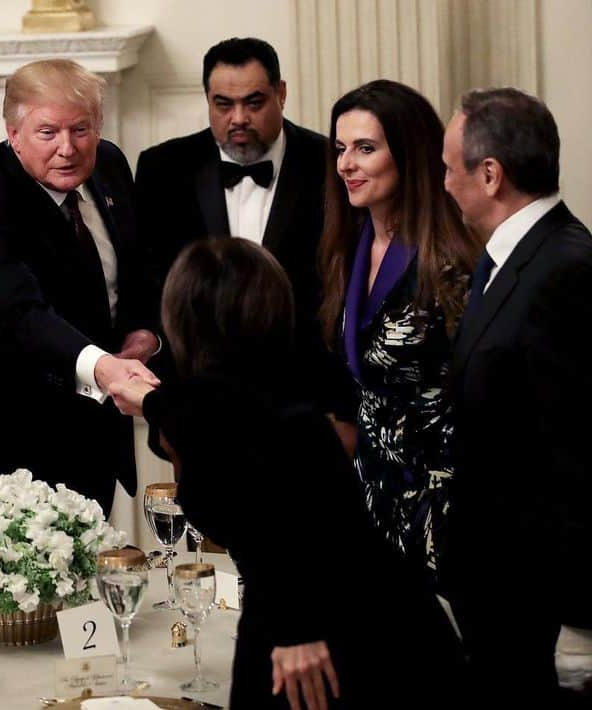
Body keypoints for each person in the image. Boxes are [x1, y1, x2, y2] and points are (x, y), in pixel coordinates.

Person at [109, 238, 464, 710]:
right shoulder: (231, 398)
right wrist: (148, 399)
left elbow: (292, 525)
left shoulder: (282, 418)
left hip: (337, 626)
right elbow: (200, 411)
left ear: (183, 321)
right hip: (301, 613)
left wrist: (297, 633)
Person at [0, 59, 159, 513]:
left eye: (81, 130)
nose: (67, 149)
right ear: (14, 134)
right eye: (48, 133)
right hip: (2, 440)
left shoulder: (109, 164)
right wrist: (105, 367)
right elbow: (22, 316)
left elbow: (136, 266)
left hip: (90, 431)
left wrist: (146, 331)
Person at [442, 88, 592, 705]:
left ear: (490, 174)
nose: (444, 181)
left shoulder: (566, 270)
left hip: (533, 599)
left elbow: (575, 452)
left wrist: (573, 621)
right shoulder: (509, 256)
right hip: (497, 586)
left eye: (450, 166)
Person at [134, 37, 355, 439]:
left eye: (254, 103)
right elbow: (150, 283)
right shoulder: (162, 169)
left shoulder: (329, 165)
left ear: (281, 94)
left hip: (306, 406)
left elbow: (340, 287)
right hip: (197, 408)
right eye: (223, 104)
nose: (238, 118)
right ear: (207, 99)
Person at [317, 80, 479, 582]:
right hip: (370, 496)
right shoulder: (350, 246)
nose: (346, 164)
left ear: (408, 153)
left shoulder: (453, 259)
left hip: (446, 503)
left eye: (366, 149)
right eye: (340, 149)